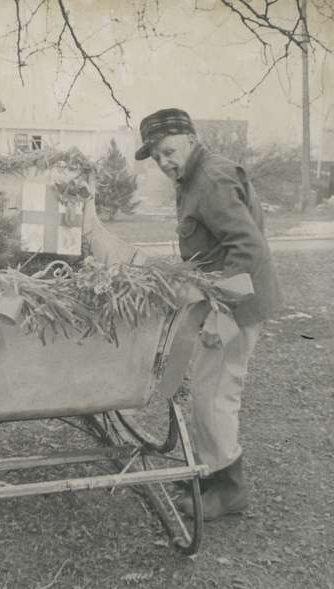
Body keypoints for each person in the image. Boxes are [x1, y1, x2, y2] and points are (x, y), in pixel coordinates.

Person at [135, 108, 282, 520]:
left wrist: (224, 313)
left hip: (236, 302)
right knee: (207, 387)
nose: (164, 162)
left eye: (168, 151)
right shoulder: (195, 176)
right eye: (157, 157)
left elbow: (249, 249)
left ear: (190, 138)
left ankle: (228, 488)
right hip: (225, 297)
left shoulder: (211, 179)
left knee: (215, 391)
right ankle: (210, 473)